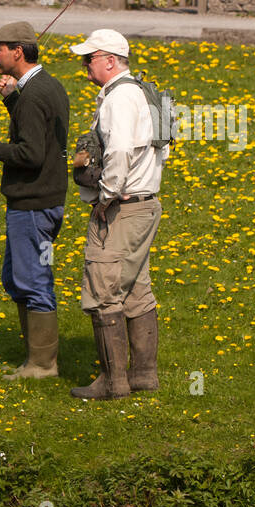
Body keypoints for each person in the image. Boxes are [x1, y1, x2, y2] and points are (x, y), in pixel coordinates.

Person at [68, 28, 166, 400]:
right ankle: (143, 375)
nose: (83, 65)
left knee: (103, 292)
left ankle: (113, 382)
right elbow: (161, 150)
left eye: (89, 58)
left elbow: (121, 150)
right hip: (145, 204)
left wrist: (106, 196)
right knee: (136, 290)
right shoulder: (143, 92)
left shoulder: (119, 98)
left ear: (110, 61)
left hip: (122, 207)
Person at [0, 20, 70, 379]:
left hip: (33, 203)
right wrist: (13, 99)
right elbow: (39, 130)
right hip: (42, 199)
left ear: (18, 52)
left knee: (33, 280)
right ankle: (35, 358)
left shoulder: (35, 93)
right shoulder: (47, 87)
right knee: (17, 278)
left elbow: (31, 154)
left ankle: (42, 365)